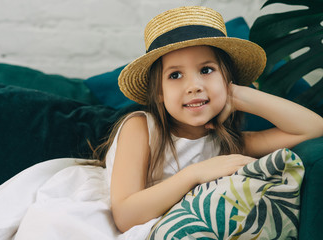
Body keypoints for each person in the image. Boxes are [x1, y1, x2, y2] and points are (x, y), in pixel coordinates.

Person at [91, 6, 323, 233]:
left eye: (206, 70)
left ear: (227, 79)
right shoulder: (140, 128)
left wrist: (240, 94)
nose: (194, 86)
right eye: (175, 75)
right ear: (159, 92)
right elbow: (125, 217)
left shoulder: (229, 143)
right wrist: (196, 173)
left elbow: (314, 128)